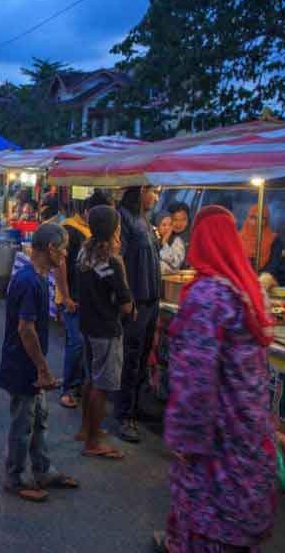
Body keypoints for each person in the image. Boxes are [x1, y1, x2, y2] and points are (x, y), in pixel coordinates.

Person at [154, 205, 277, 552]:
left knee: (210, 525)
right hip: (251, 432)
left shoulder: (208, 296)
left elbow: (195, 379)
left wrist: (184, 440)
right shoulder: (248, 289)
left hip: (217, 436)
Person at [0, 223, 79, 503]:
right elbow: (25, 329)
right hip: (22, 364)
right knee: (23, 423)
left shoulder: (38, 276)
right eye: (64, 248)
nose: (66, 254)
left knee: (37, 419)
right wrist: (43, 368)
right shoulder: (29, 281)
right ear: (51, 248)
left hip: (30, 363)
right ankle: (16, 477)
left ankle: (43, 469)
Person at [76, 205, 133, 461]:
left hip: (87, 325)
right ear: (114, 229)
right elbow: (125, 302)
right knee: (102, 385)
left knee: (91, 379)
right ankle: (93, 442)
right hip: (106, 329)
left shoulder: (84, 253)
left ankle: (86, 429)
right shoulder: (112, 260)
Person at [116, 185, 161, 443]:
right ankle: (125, 415)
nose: (156, 197)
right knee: (131, 358)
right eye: (153, 191)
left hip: (151, 300)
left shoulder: (145, 218)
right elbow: (118, 259)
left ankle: (136, 405)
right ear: (142, 190)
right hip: (136, 301)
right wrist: (125, 296)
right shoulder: (123, 217)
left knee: (143, 356)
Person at [57, 192, 109, 409]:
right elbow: (60, 265)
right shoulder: (70, 228)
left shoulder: (94, 232)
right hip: (72, 298)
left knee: (83, 343)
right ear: (88, 211)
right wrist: (66, 296)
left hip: (86, 299)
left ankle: (77, 384)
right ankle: (68, 388)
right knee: (76, 342)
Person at [239, 204, 276, 272]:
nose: (257, 221)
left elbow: (273, 266)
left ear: (266, 220)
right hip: (242, 276)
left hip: (264, 279)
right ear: (248, 218)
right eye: (253, 217)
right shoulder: (238, 238)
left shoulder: (275, 240)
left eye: (262, 218)